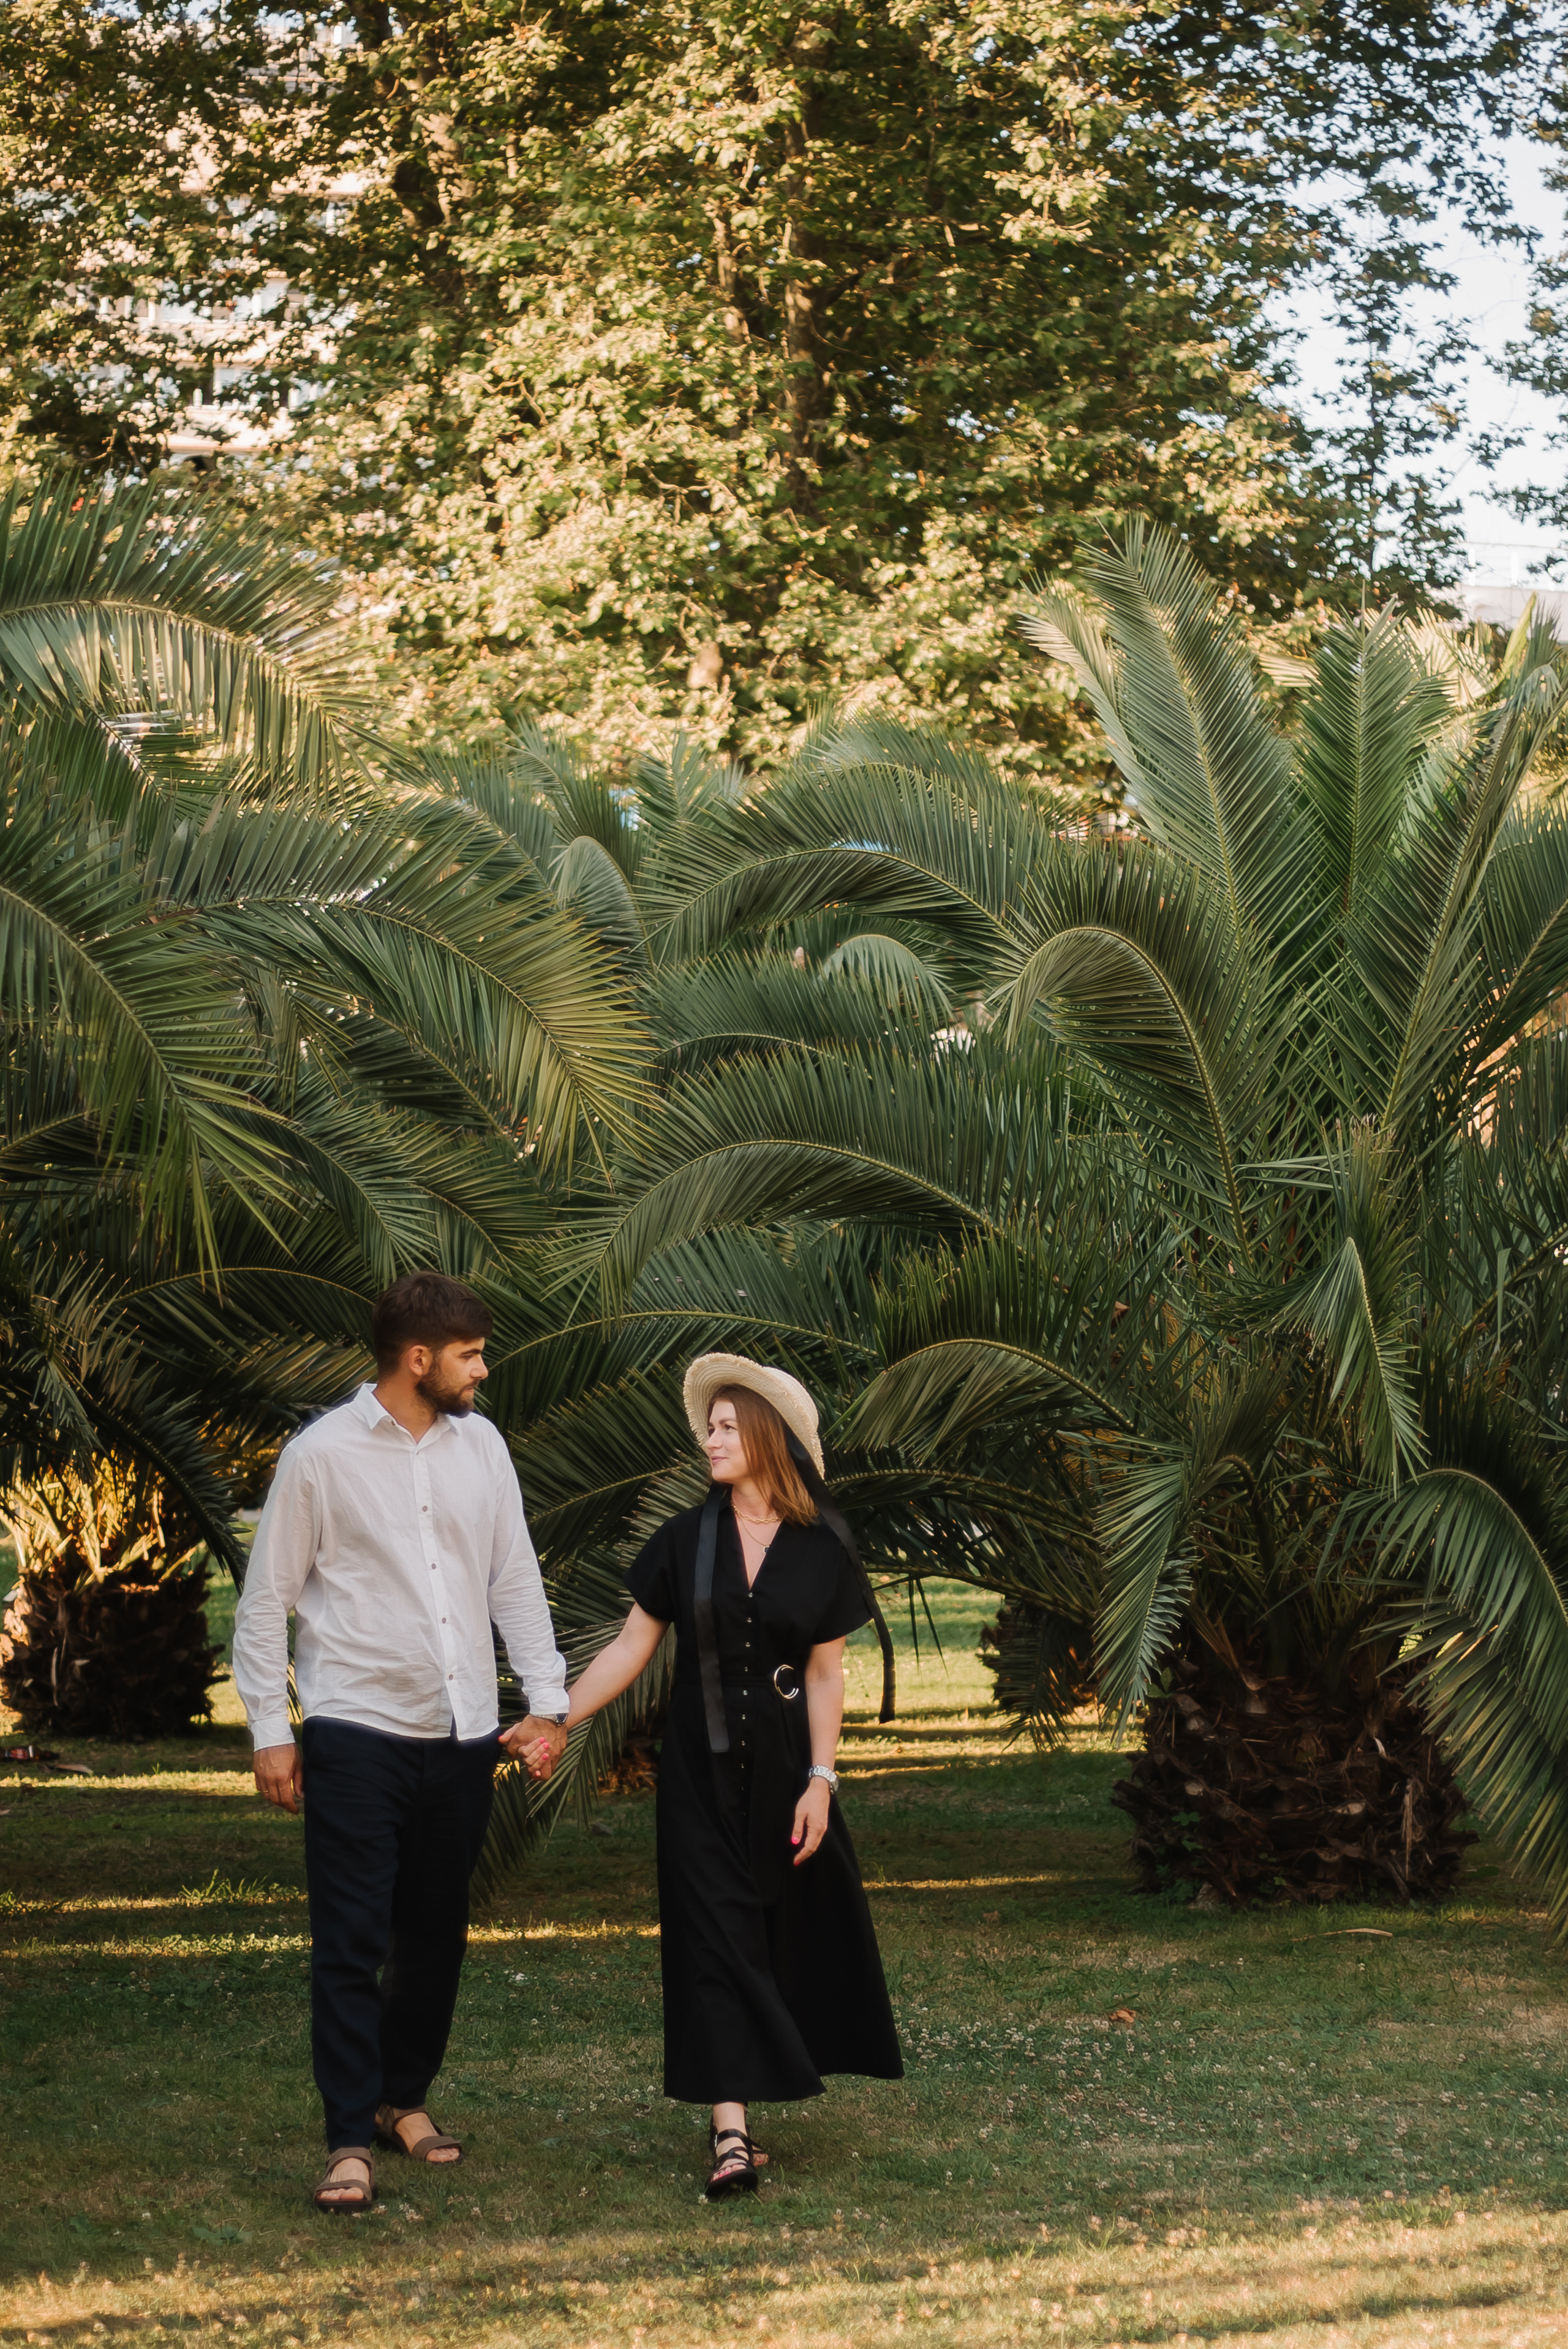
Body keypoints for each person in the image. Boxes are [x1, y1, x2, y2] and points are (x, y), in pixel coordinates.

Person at [232, 1271, 570, 2214]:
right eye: (471, 1353)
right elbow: (267, 1601)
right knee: (349, 1940)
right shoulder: (320, 1456)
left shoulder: (484, 1446)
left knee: (435, 1934)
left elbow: (514, 1578)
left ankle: (402, 2100)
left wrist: (547, 1699)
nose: (484, 1368)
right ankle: (348, 2136)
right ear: (418, 1358)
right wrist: (271, 1728)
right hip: (355, 1727)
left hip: (460, 1731)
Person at [552, 1352, 903, 2198]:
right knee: (710, 1936)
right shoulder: (684, 1539)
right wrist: (558, 1718)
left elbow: (825, 1673)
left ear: (768, 1436)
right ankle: (731, 2133)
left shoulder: (824, 1549)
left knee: (781, 1929)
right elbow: (634, 1646)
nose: (710, 1437)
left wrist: (823, 1779)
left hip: (786, 1765)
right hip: (697, 1771)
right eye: (708, 1425)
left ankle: (771, 2081)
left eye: (725, 1425)